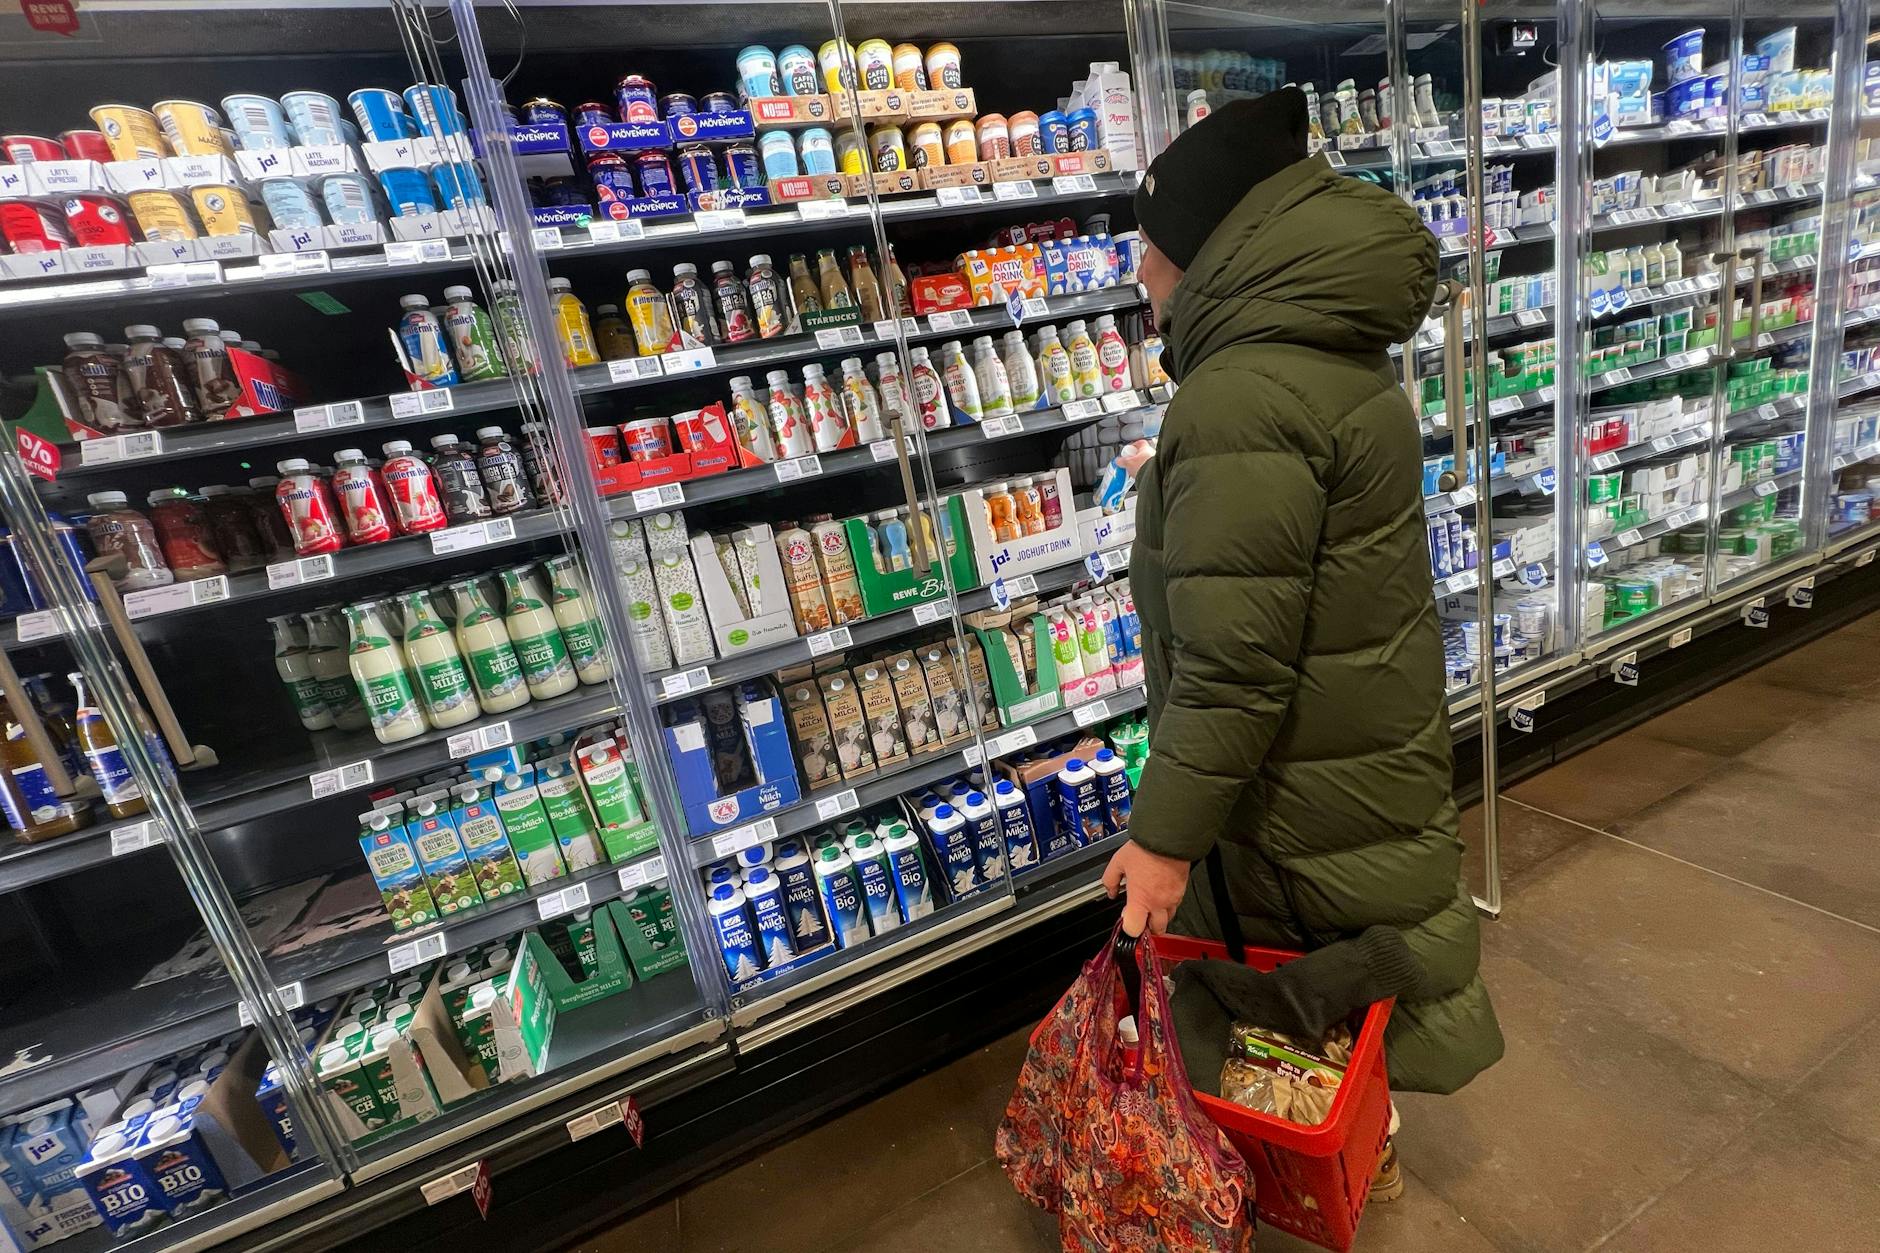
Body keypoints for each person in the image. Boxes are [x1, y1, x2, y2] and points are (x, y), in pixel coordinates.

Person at [1100, 86, 1504, 1111]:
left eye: (1151, 245)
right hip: (1355, 756)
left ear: (1207, 251)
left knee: (1310, 1007)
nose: (1139, 271)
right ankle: (1360, 1151)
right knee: (1354, 980)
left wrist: (1161, 839)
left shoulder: (1240, 398)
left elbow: (1235, 667)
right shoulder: (1320, 360)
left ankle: (1337, 1169)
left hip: (1300, 792)